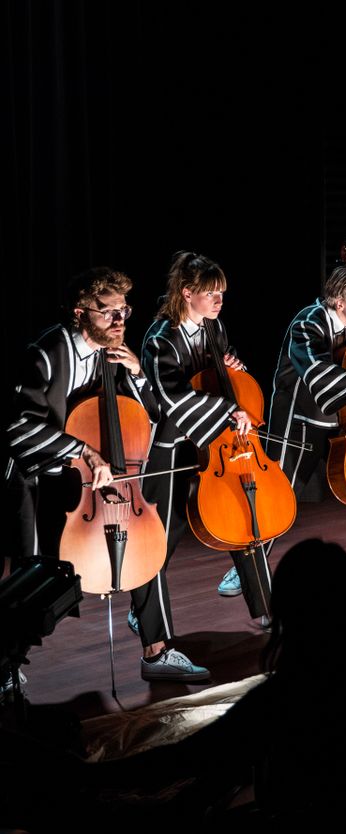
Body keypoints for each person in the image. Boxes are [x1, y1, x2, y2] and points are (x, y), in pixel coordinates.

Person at [2, 267, 157, 695]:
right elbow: (17, 426)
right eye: (108, 312)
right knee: (32, 581)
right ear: (80, 313)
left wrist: (139, 373)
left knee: (140, 556)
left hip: (86, 486)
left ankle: (157, 647)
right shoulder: (47, 352)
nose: (119, 320)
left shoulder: (115, 356)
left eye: (123, 310)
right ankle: (6, 664)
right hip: (38, 479)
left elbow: (147, 420)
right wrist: (83, 451)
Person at [129, 251, 267, 683]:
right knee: (157, 542)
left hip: (212, 447)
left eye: (222, 293)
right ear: (187, 293)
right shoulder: (158, 339)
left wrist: (231, 368)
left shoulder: (214, 327)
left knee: (244, 522)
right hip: (167, 448)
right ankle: (154, 639)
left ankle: (267, 616)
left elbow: (215, 372)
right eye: (211, 293)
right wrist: (228, 411)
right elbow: (172, 399)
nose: (219, 300)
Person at [215, 262, 346, 596]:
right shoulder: (308, 320)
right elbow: (315, 367)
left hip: (340, 419)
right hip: (298, 416)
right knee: (281, 493)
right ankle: (247, 568)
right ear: (340, 302)